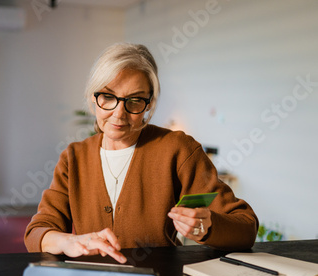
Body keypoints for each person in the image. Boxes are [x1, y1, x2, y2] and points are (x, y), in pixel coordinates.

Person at [24, 43, 258, 264]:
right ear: (93, 99)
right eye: (108, 97)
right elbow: (38, 231)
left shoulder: (178, 149)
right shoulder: (73, 158)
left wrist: (207, 226)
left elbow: (246, 227)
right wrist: (69, 241)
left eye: (134, 101)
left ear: (149, 104)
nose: (119, 113)